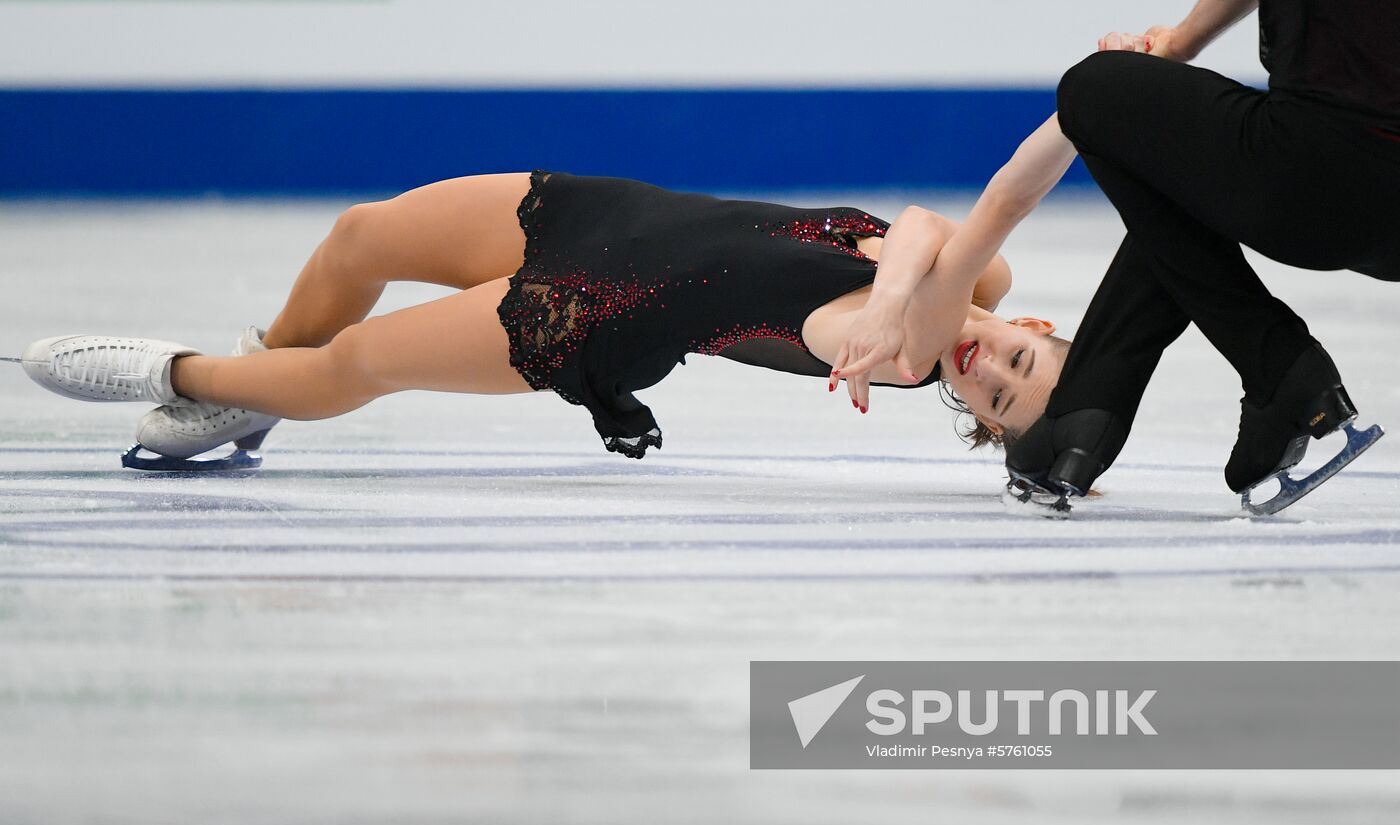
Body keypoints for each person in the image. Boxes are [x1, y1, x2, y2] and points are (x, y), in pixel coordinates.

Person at [16, 148, 1077, 468]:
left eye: (993, 406)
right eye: (1019, 369)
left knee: (360, 365)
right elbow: (929, 229)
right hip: (597, 214)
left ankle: (182, 375)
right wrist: (899, 280)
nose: (987, 373)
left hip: (588, 313)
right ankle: (257, 383)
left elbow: (958, 227)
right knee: (361, 235)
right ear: (1027, 334)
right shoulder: (965, 291)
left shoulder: (899, 353)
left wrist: (896, 304)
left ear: (973, 420)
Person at [995, 0, 1400, 513]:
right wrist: (1180, 42)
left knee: (1095, 89)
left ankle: (1274, 366)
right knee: (1179, 167)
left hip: (1324, 178)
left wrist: (1179, 42)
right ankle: (1088, 409)